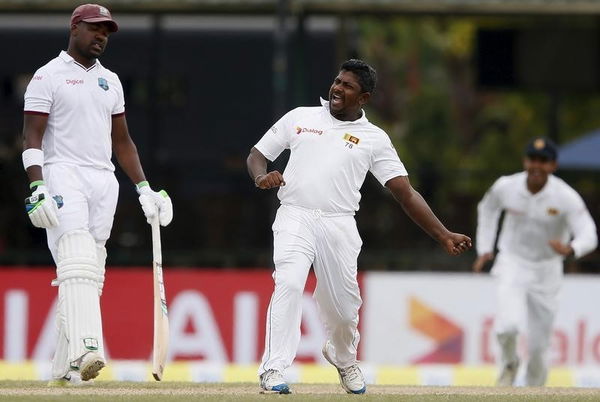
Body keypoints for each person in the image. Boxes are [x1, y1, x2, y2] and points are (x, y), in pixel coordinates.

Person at [246, 59, 472, 394]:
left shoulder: (374, 139)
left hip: (339, 225)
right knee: (290, 283)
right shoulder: (301, 117)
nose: (337, 89)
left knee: (343, 309)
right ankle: (274, 369)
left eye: (347, 86)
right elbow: (257, 155)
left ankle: (343, 357)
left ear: (363, 98)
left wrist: (443, 234)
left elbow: (405, 193)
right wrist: (261, 177)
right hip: (295, 214)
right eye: (337, 82)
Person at [21, 4, 173, 386]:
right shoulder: (47, 76)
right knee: (75, 260)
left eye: (106, 31)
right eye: (94, 29)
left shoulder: (112, 81)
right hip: (61, 173)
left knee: (91, 270)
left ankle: (64, 366)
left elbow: (122, 142)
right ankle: (88, 348)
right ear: (75, 28)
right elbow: (32, 137)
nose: (101, 36)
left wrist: (143, 188)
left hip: (103, 181)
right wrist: (37, 184)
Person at [473, 137, 597, 387]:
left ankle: (535, 391)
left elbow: (589, 233)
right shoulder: (506, 186)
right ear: (525, 161)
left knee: (540, 347)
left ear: (553, 165)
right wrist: (485, 248)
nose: (537, 166)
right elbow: (487, 210)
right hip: (512, 263)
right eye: (533, 159)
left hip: (547, 271)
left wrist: (572, 248)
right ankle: (509, 365)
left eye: (543, 161)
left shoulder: (564, 196)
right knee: (506, 327)